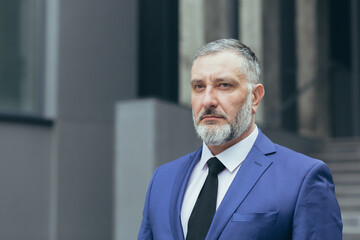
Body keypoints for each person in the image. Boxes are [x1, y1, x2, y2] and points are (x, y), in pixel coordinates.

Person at [137, 39, 342, 240]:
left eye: (224, 85)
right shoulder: (162, 179)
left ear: (255, 97)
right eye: (199, 86)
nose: (208, 100)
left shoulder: (303, 178)